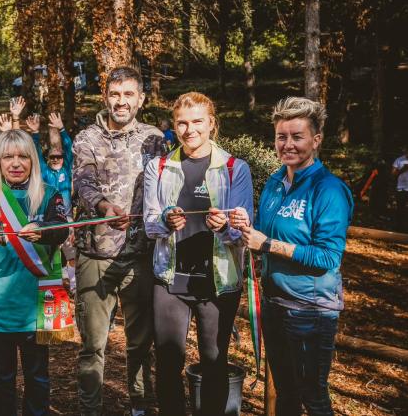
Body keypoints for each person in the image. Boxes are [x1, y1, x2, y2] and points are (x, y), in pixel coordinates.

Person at [232, 97, 353, 416]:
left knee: (312, 397)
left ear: (316, 140)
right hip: (274, 304)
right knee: (285, 393)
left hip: (310, 311)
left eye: (297, 136)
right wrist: (244, 230)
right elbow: (261, 236)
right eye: (281, 136)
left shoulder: (329, 189)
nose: (288, 144)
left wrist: (268, 244)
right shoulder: (274, 183)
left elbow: (328, 257)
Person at [143, 92, 254, 416]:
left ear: (212, 124)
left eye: (197, 122)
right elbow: (150, 224)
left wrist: (224, 228)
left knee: (214, 362)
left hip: (218, 282)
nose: (190, 129)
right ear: (174, 126)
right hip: (170, 280)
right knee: (167, 361)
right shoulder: (159, 167)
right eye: (182, 122)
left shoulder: (236, 168)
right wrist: (165, 220)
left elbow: (243, 231)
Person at [72, 66, 166, 416]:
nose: (121, 102)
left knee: (141, 342)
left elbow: (164, 189)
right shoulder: (87, 138)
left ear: (140, 98)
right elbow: (83, 183)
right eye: (115, 94)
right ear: (105, 96)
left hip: (141, 255)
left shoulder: (155, 138)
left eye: (129, 95)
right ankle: (90, 408)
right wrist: (103, 205)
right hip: (96, 254)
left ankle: (139, 405)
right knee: (93, 344)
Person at [0, 129, 71, 415]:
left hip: (36, 304)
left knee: (38, 378)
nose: (15, 163)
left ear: (33, 161)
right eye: (7, 156)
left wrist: (44, 231)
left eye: (23, 156)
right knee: (1, 379)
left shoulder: (49, 195)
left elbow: (61, 228)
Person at [27, 111, 74, 214]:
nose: (55, 159)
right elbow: (36, 153)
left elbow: (69, 148)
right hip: (47, 217)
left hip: (67, 218)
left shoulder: (66, 170)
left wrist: (61, 129)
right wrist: (35, 133)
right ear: (48, 158)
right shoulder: (44, 171)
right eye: (52, 157)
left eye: (58, 157)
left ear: (63, 158)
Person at [392, 146, 408, 232]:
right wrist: (403, 169)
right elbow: (393, 174)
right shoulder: (399, 160)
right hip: (401, 188)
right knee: (400, 208)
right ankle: (399, 228)